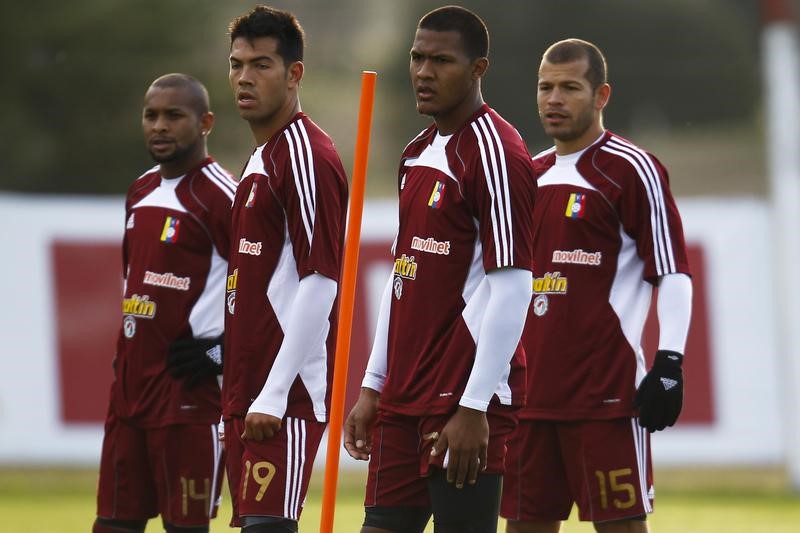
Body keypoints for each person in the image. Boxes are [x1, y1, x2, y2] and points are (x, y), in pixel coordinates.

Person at [344, 6, 536, 533]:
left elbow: (515, 286)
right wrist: (372, 385)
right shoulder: (415, 154)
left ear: (478, 69)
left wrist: (474, 405)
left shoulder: (496, 152)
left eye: (441, 61)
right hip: (402, 400)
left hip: (462, 398)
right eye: (417, 58)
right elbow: (402, 276)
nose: (423, 72)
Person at [500, 39, 693, 533]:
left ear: (601, 95)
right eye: (545, 87)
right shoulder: (528, 174)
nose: (554, 99)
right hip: (527, 400)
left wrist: (670, 361)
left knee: (623, 527)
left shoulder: (632, 169)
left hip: (605, 398)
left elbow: (671, 271)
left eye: (570, 88)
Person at [221, 5, 348, 532]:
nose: (245, 77)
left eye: (262, 64)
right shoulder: (260, 158)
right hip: (245, 388)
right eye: (236, 64)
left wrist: (273, 392)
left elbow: (322, 281)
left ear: (294, 74)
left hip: (283, 396)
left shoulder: (305, 156)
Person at [94, 73, 237, 533]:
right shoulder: (139, 191)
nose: (159, 126)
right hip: (130, 396)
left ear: (205, 122)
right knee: (113, 524)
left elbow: (268, 294)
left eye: (174, 116)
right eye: (151, 115)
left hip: (187, 400)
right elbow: (130, 284)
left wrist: (221, 353)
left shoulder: (223, 198)